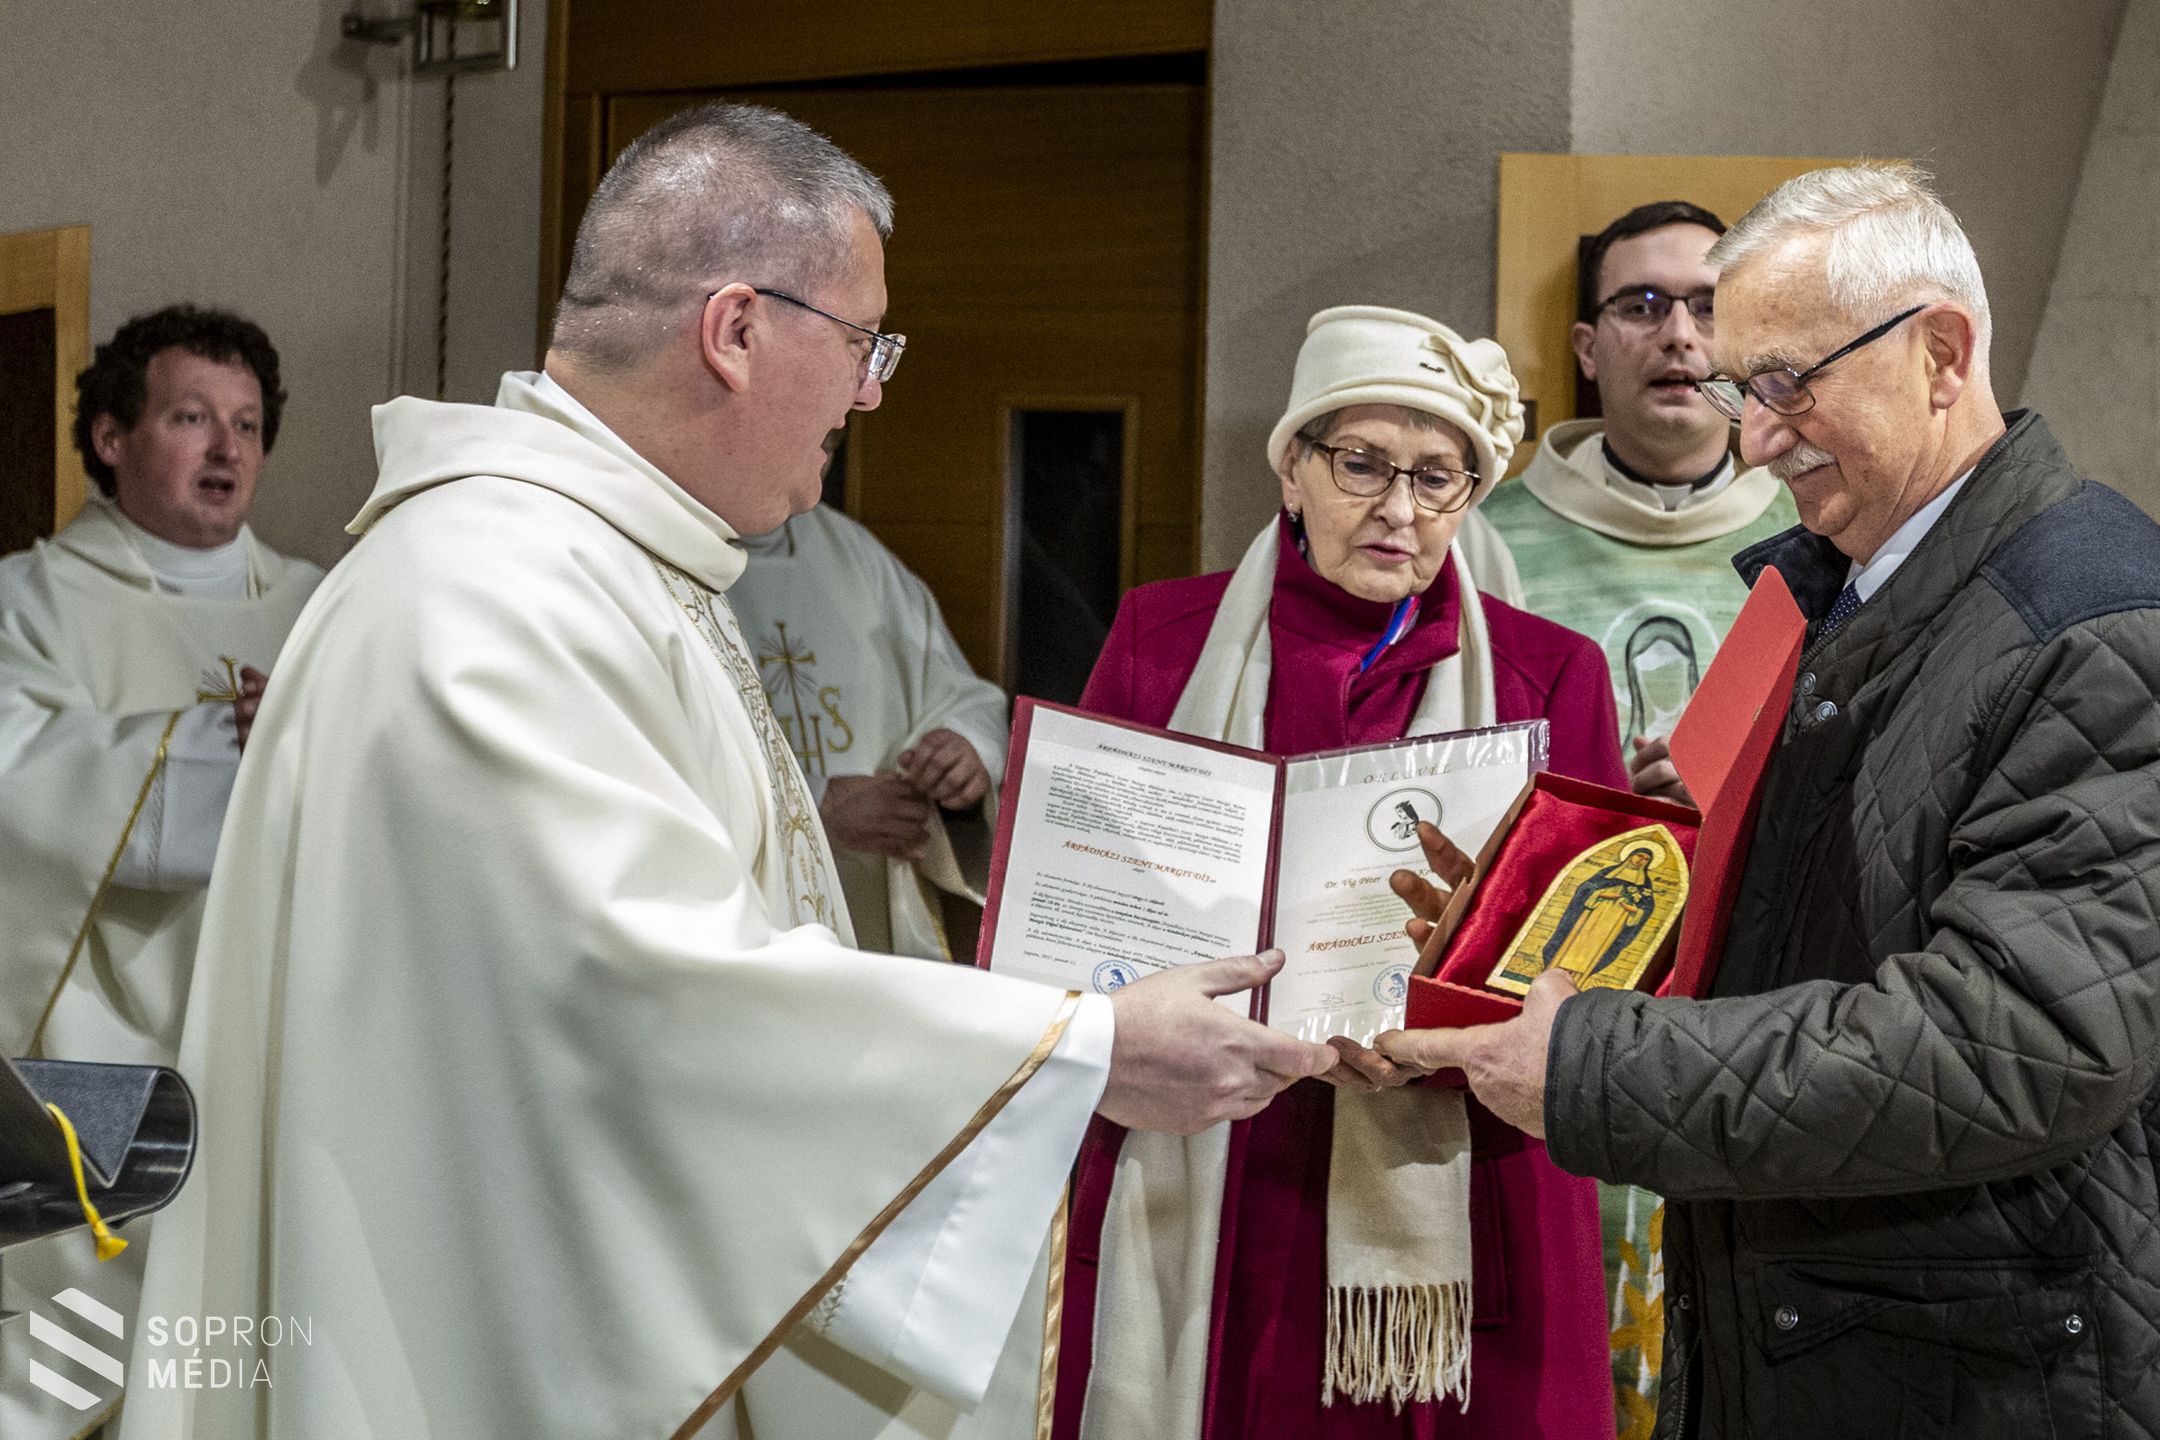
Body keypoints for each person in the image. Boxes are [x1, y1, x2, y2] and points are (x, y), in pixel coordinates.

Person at [115, 103, 1337, 1440]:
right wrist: (1081, 1050)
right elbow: (640, 999)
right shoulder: (492, 592)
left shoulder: (606, 568)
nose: (873, 392)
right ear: (738, 330)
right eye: (865, 343)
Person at [1378, 163, 2160, 1438]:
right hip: (1833, 1322)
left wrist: (1592, 1067)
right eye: (1746, 391)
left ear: (1942, 355)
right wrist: (1530, 927)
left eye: (1790, 383)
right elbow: (1796, 920)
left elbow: (2021, 1041)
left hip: (1980, 1364)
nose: (1754, 438)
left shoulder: (2099, 625)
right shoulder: (1838, 582)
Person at [1060, 305, 1625, 1440]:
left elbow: (1590, 971)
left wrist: (1456, 1030)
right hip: (1218, 1147)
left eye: (1437, 476)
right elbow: (1079, 906)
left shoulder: (1548, 675)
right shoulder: (1163, 642)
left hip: (1461, 1175)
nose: (1399, 508)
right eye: (1361, 463)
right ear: (1293, 470)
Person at [1469, 203, 1801, 1429]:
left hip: (1765, 1011)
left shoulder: (1815, 534)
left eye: (1709, 307)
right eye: (1642, 305)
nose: (1679, 334)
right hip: (1555, 1010)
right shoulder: (1486, 544)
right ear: (1587, 346)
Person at [0, 304, 320, 1439]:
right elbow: (14, 776)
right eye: (191, 418)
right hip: (96, 1060)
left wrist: (325, 736)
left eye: (247, 425)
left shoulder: (326, 612)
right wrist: (226, 752)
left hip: (279, 1044)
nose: (227, 448)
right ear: (110, 437)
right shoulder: (28, 601)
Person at [729, 501, 1007, 959]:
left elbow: (960, 694)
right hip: (739, 931)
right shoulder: (667, 558)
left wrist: (963, 746)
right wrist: (812, 809)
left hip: (872, 919)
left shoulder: (852, 553)